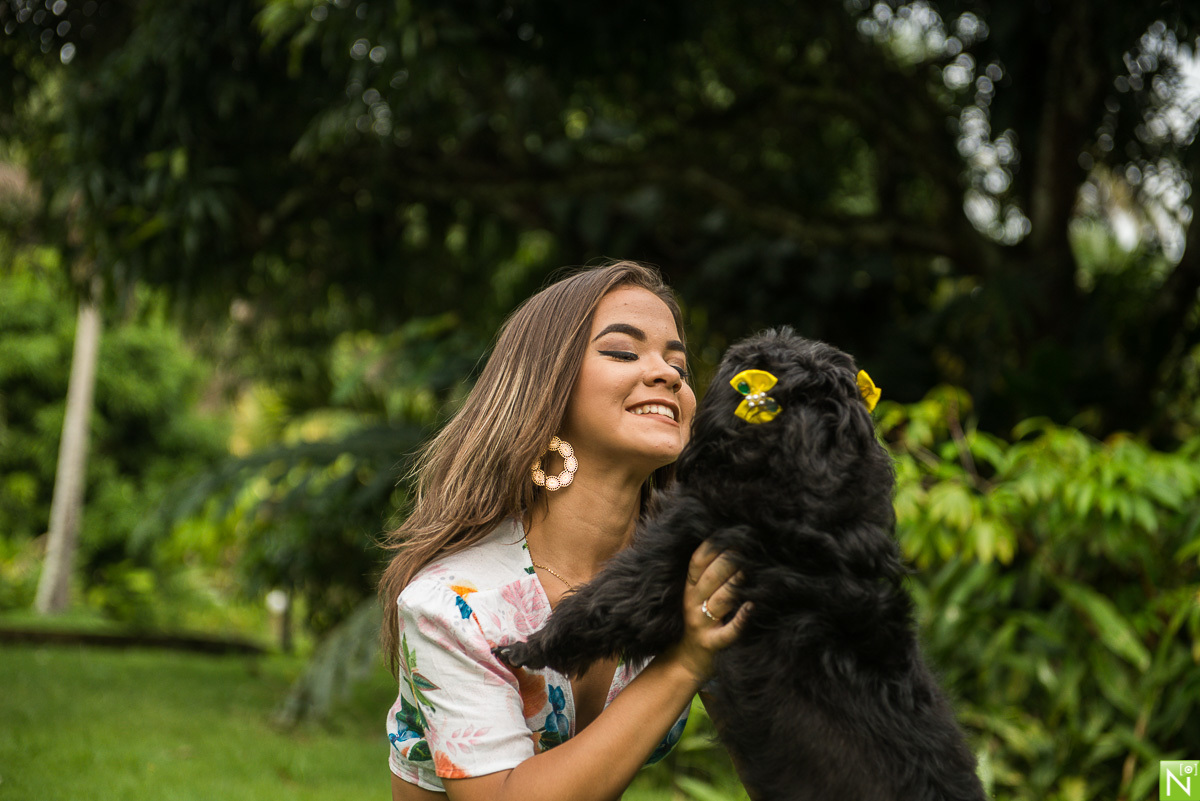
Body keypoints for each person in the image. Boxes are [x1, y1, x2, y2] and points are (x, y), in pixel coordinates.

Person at [378, 261, 751, 801]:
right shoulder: (456, 604)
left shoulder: (690, 576)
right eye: (622, 352)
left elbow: (789, 762)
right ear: (546, 387)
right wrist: (687, 661)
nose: (669, 374)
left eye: (678, 364)